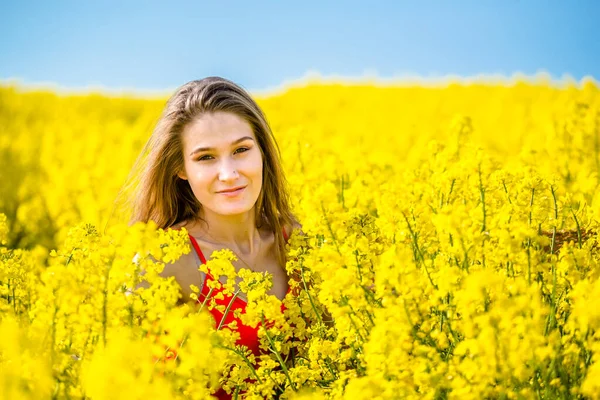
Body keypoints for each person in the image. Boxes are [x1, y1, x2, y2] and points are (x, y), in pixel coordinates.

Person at [127, 76, 301, 397]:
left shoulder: (294, 239)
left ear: (262, 151)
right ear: (180, 168)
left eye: (241, 150)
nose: (229, 173)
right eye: (206, 157)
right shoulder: (164, 260)